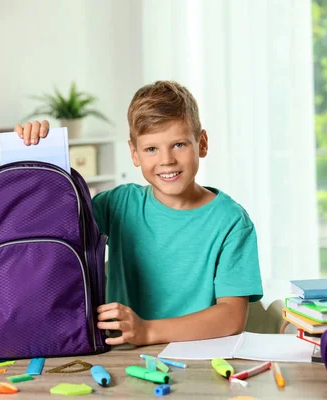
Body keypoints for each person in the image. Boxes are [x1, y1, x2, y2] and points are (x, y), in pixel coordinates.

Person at [15, 80, 263, 346]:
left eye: (179, 144)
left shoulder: (231, 221)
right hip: (122, 358)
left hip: (200, 358)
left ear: (201, 143)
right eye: (151, 149)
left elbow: (231, 318)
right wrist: (40, 157)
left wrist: (148, 331)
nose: (166, 160)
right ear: (134, 153)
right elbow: (48, 224)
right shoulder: (119, 205)